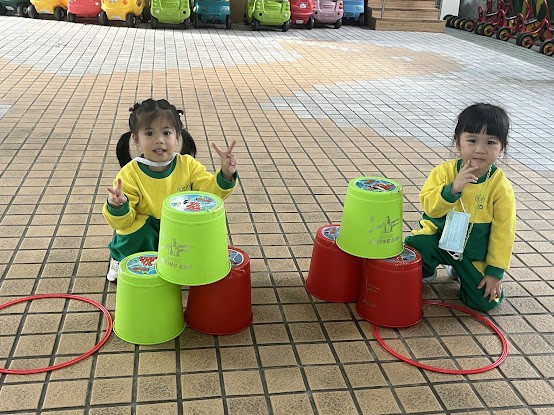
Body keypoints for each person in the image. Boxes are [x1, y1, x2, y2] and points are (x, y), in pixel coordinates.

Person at [103, 99, 238, 282]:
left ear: (177, 136)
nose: (159, 140)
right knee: (136, 230)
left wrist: (226, 174)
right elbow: (123, 221)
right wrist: (118, 206)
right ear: (136, 139)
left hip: (179, 226)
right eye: (149, 133)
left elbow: (208, 195)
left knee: (200, 226)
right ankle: (122, 257)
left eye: (166, 133)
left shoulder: (187, 164)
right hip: (147, 230)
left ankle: (186, 261)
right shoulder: (130, 173)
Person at [405, 103, 516, 312]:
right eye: (472, 140)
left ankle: (459, 270)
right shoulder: (443, 172)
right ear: (458, 141)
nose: (480, 149)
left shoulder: (500, 186)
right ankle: (427, 269)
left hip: (473, 253)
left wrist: (495, 272)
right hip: (437, 240)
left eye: (490, 142)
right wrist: (452, 189)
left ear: (502, 147)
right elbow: (429, 207)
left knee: (486, 302)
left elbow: (504, 231)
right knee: (416, 245)